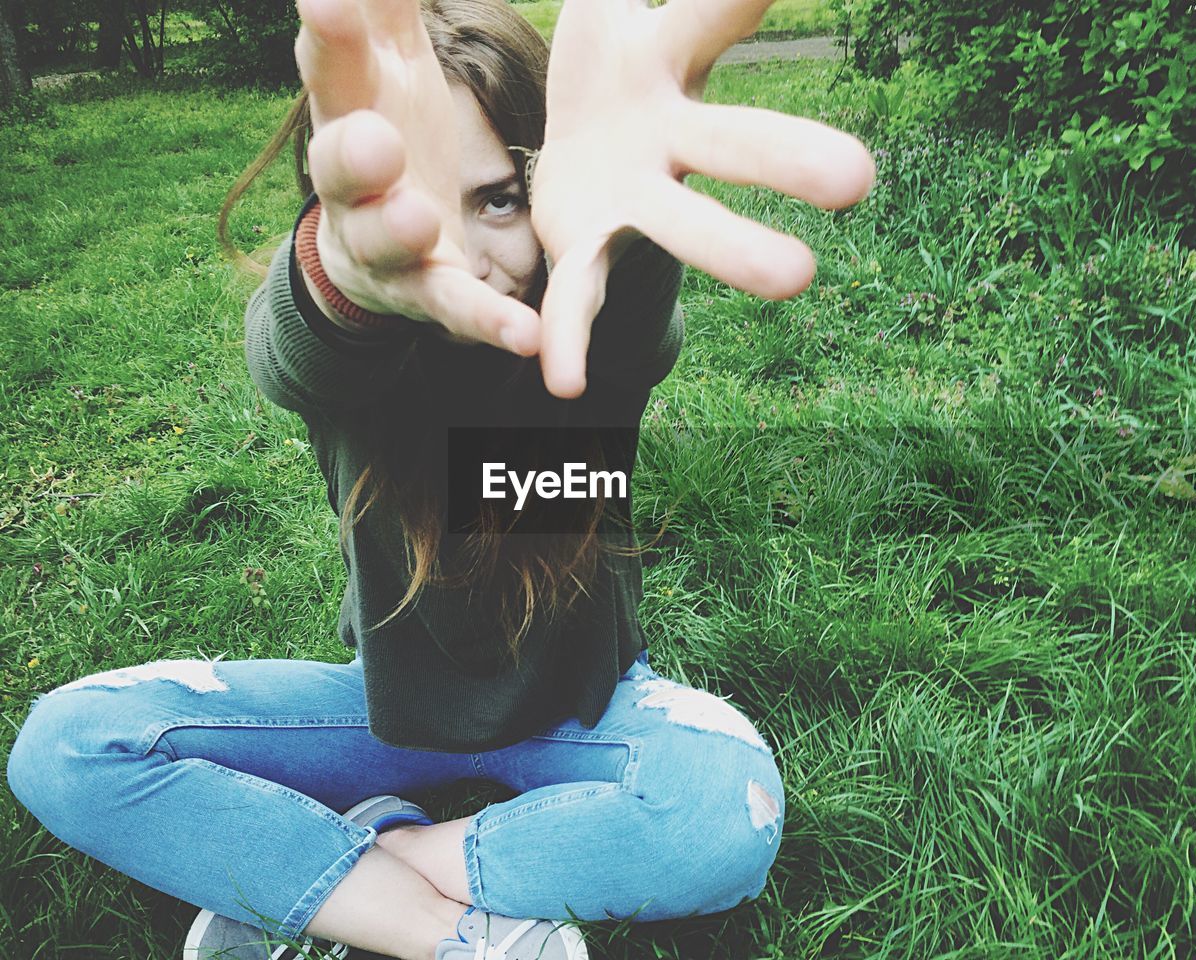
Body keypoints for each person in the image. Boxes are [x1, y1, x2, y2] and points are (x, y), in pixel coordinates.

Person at [6, 0, 874, 957]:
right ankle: (461, 939)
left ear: (549, 190)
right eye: (415, 198)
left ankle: (363, 867)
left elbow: (630, 331)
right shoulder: (354, 362)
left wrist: (627, 244)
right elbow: (295, 349)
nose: (457, 252)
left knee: (725, 811)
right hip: (389, 715)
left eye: (498, 197)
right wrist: (341, 275)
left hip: (583, 712)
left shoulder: (586, 335)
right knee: (69, 745)